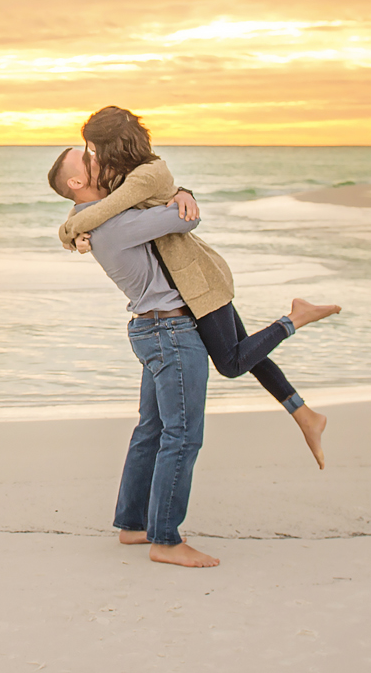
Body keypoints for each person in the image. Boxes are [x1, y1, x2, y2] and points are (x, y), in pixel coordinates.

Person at [56, 107, 337, 470]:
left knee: (232, 362)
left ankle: (294, 319)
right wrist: (76, 226)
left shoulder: (145, 175)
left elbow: (101, 211)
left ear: (111, 143)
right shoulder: (127, 177)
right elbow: (94, 205)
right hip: (194, 278)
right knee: (244, 353)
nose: (92, 155)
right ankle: (305, 415)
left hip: (197, 280)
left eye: (92, 148)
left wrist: (68, 232)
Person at [47, 145, 222, 567]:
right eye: (90, 162)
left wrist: (180, 190)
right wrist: (182, 197)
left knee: (152, 430)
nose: (103, 162)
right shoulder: (114, 224)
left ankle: (133, 524)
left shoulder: (98, 222)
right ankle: (165, 539)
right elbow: (188, 217)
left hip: (153, 329)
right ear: (77, 183)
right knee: (182, 436)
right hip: (171, 331)